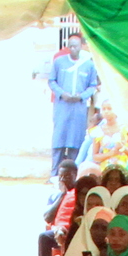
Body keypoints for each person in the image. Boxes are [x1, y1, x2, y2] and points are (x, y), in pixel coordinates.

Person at [46, 33, 99, 167]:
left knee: (76, 140)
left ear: (81, 46)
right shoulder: (59, 62)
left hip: (79, 107)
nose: (73, 49)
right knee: (59, 139)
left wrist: (82, 96)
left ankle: (72, 171)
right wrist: (61, 94)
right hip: (62, 105)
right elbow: (52, 81)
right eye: (70, 46)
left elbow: (93, 85)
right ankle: (55, 172)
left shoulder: (89, 65)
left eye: (75, 46)